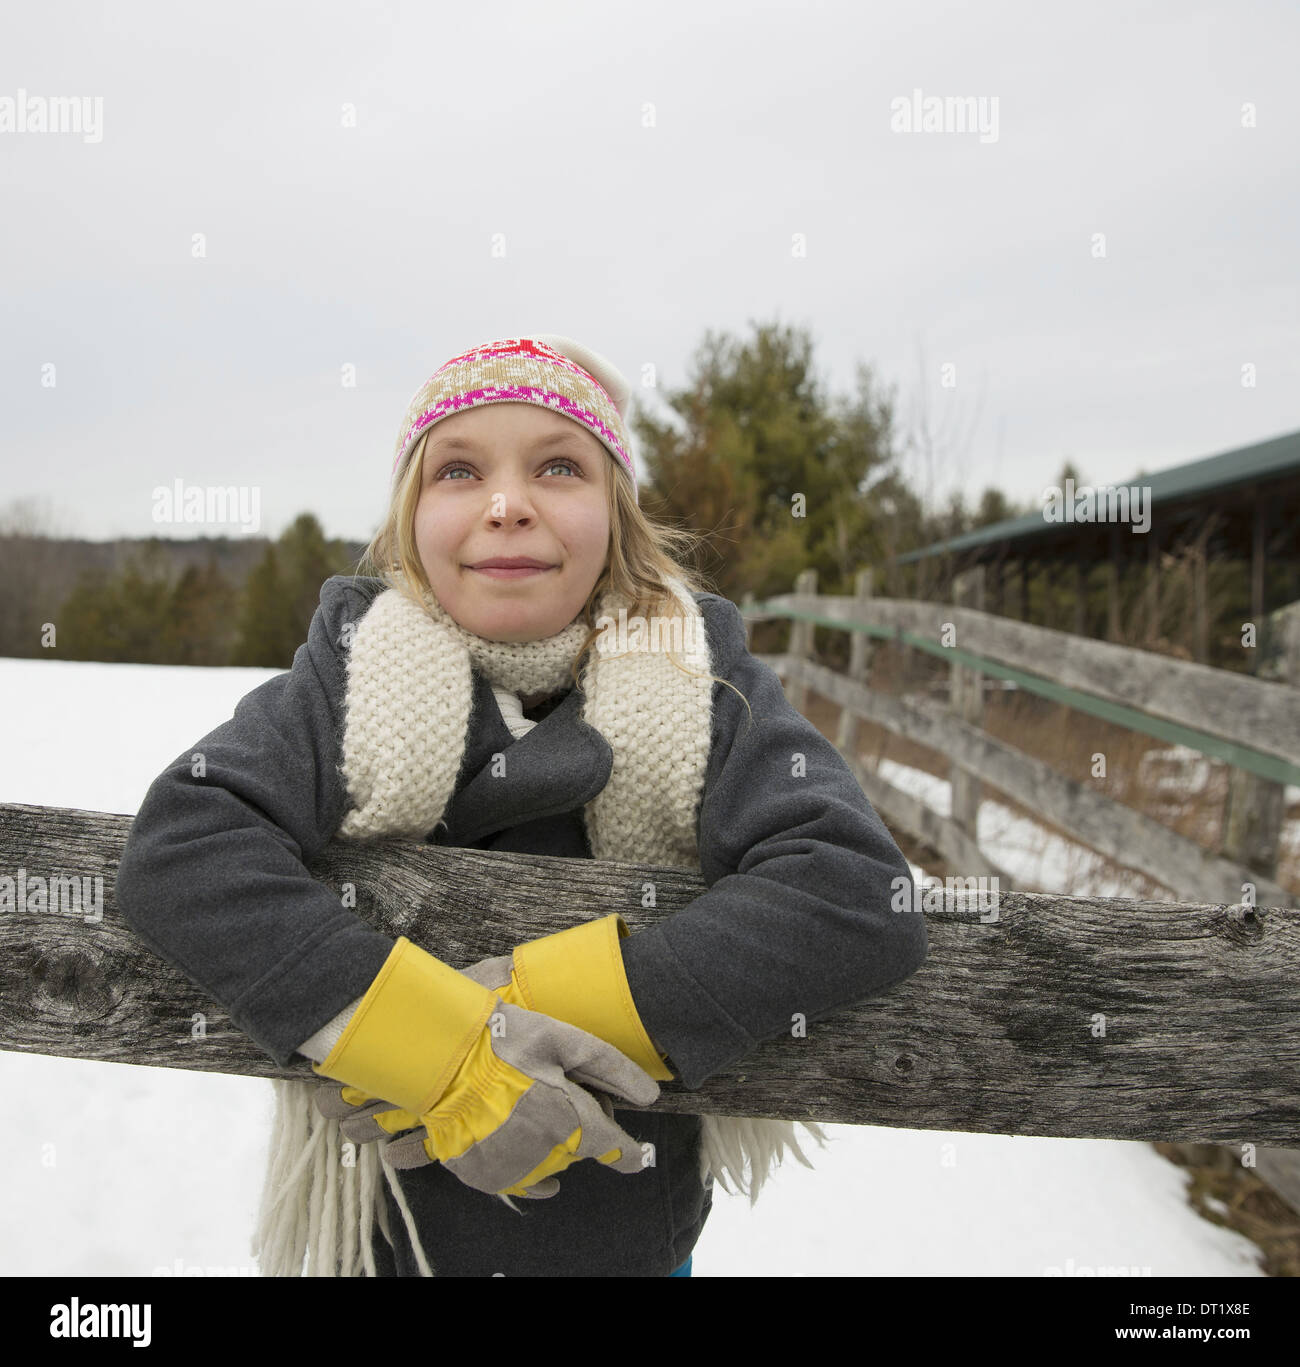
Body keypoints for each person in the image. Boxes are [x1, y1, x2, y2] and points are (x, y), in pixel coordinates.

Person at [114, 333, 927, 1277]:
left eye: (559, 466)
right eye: (460, 470)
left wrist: (529, 1010)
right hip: (393, 1237)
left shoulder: (701, 678)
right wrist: (448, 1054)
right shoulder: (347, 675)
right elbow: (186, 845)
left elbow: (855, 888)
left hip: (626, 1235)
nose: (507, 506)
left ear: (617, 520)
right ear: (410, 520)